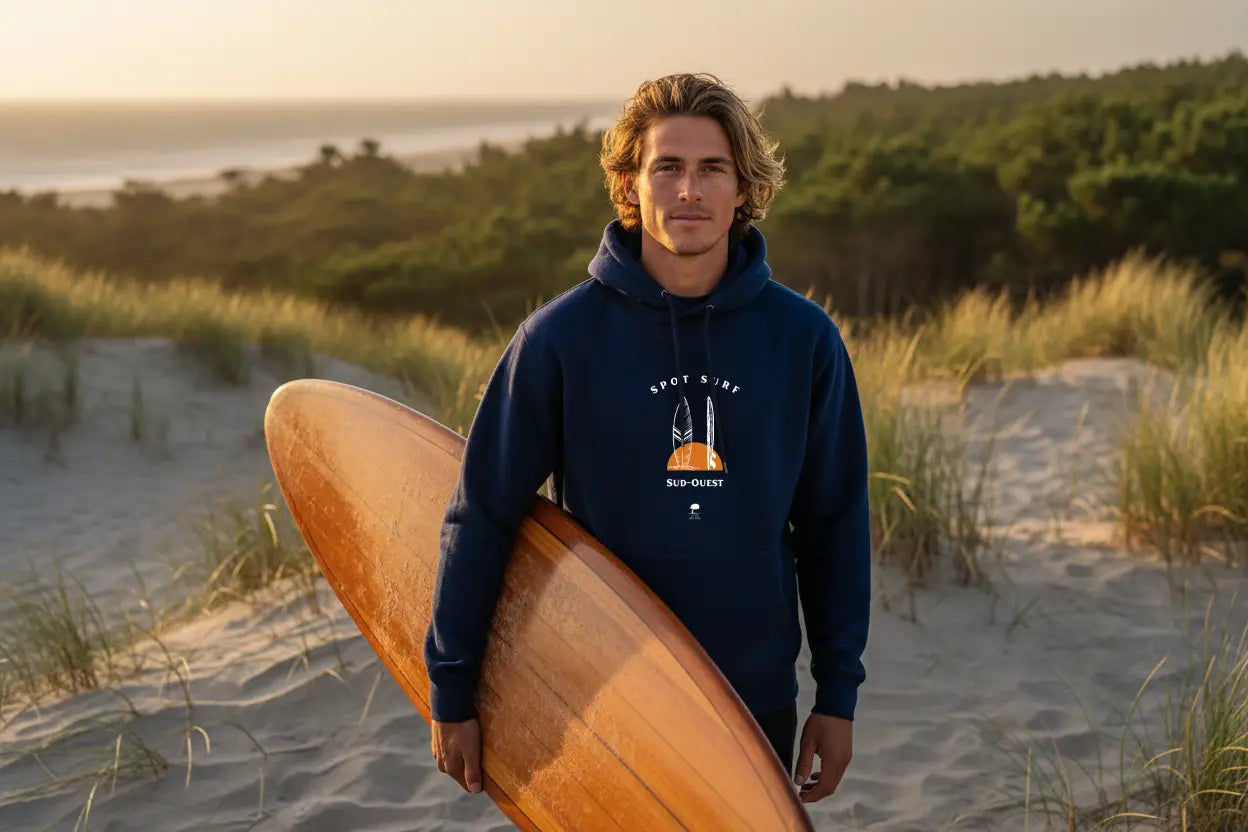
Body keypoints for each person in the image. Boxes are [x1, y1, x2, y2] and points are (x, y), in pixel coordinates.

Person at [424, 72, 870, 807]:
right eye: (667, 167)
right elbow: (482, 515)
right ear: (631, 185)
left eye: (711, 169)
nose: (688, 190)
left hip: (750, 694)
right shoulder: (559, 340)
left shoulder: (804, 341)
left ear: (743, 189)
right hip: (604, 690)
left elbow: (834, 526)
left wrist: (838, 694)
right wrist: (452, 689)